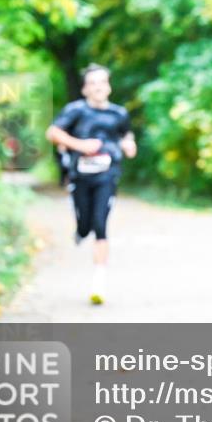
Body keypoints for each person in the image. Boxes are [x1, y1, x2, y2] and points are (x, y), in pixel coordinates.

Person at [45, 64, 137, 305]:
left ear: (109, 87)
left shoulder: (119, 113)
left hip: (108, 175)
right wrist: (80, 145)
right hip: (80, 176)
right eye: (93, 83)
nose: (98, 87)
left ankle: (99, 282)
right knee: (85, 226)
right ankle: (80, 231)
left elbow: (126, 134)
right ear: (85, 89)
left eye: (102, 82)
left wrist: (129, 144)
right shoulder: (76, 111)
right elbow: (52, 133)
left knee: (100, 224)